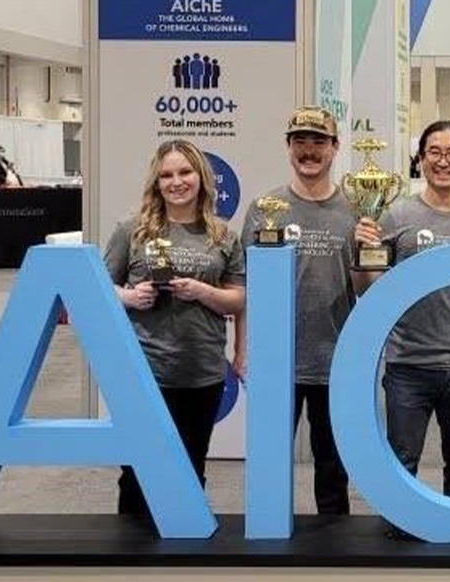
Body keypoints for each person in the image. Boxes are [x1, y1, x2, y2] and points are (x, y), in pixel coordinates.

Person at [354, 120, 450, 502]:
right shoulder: (396, 216)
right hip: (409, 365)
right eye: (434, 152)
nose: (443, 160)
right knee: (402, 463)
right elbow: (369, 289)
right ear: (420, 159)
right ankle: (399, 544)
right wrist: (361, 254)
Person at [103, 139, 246, 517]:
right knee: (136, 473)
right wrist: (129, 297)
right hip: (144, 372)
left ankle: (183, 560)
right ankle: (130, 564)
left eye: (184, 172)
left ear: (201, 177)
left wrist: (202, 291)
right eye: (166, 175)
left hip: (202, 374)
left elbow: (238, 299)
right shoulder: (131, 229)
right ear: (156, 182)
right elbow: (97, 288)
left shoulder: (223, 235)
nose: (176, 182)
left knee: (190, 468)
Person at [236, 106, 363, 515]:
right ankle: (267, 546)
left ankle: (337, 551)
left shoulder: (357, 209)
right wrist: (242, 349)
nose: (310, 151)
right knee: (269, 463)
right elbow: (244, 284)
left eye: (319, 142)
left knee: (333, 468)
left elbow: (366, 287)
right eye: (301, 142)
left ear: (335, 148)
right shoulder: (264, 207)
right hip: (277, 360)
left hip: (336, 358)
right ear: (289, 148)